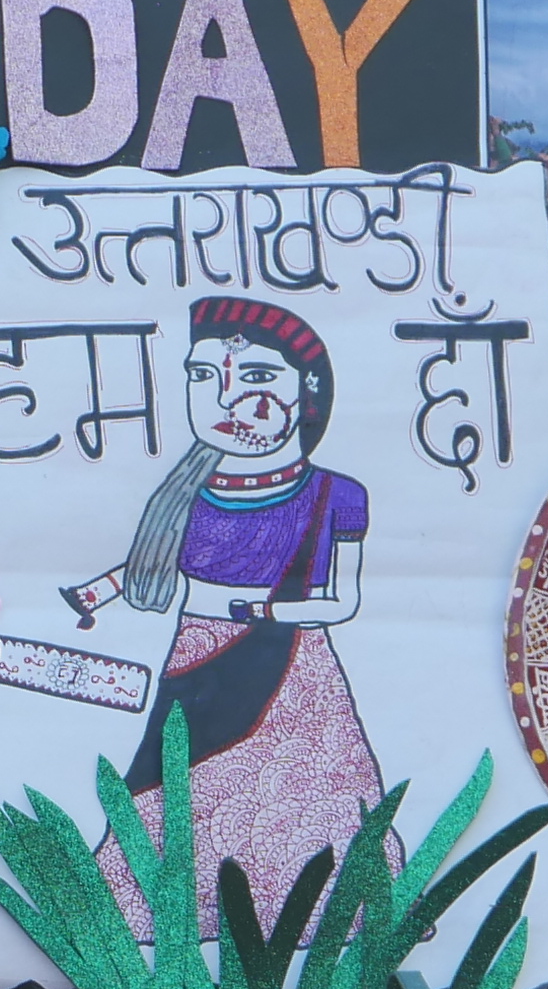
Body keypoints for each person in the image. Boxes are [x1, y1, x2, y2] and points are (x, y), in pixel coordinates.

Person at [57, 296, 389, 934]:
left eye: (257, 376)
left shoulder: (335, 494)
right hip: (197, 660)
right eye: (203, 376)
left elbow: (342, 600)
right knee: (175, 788)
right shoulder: (186, 494)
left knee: (299, 796)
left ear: (306, 392)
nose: (227, 397)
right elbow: (151, 566)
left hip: (293, 669)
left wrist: (264, 608)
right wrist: (95, 596)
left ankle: (305, 915)